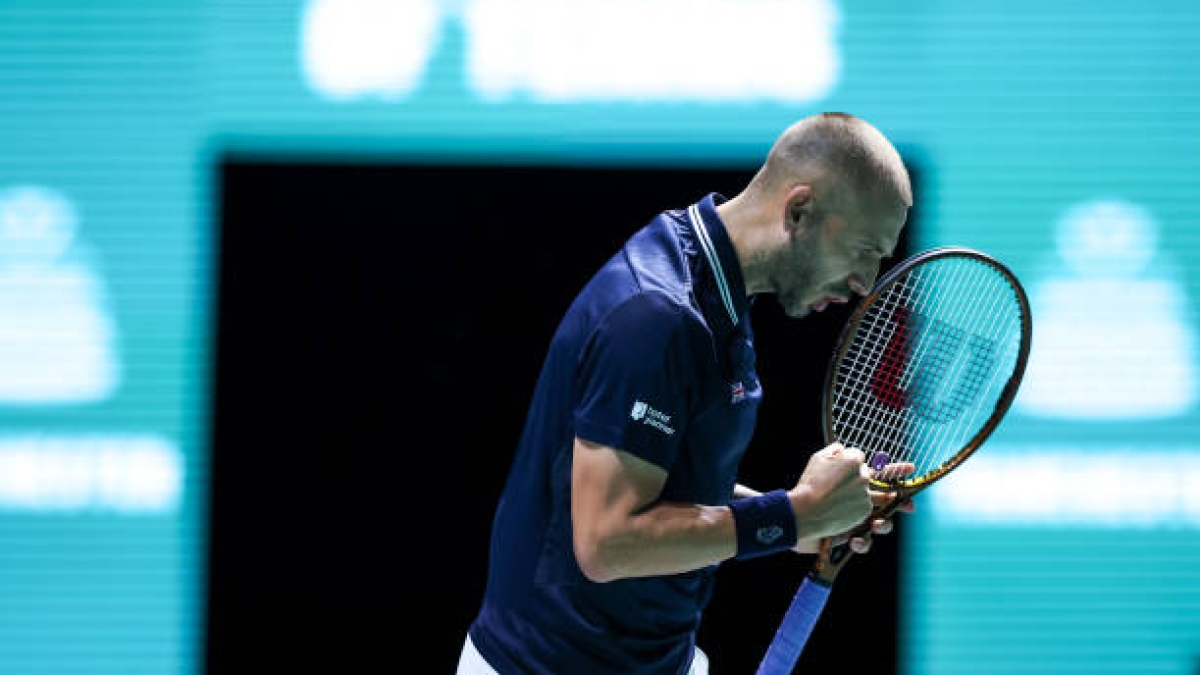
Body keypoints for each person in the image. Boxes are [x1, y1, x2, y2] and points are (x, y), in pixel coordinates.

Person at [459, 112, 915, 675]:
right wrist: (792, 517)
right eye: (865, 249)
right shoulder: (657, 315)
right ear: (799, 210)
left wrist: (806, 520)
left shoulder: (712, 289)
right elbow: (606, 543)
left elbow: (670, 486)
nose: (865, 282)